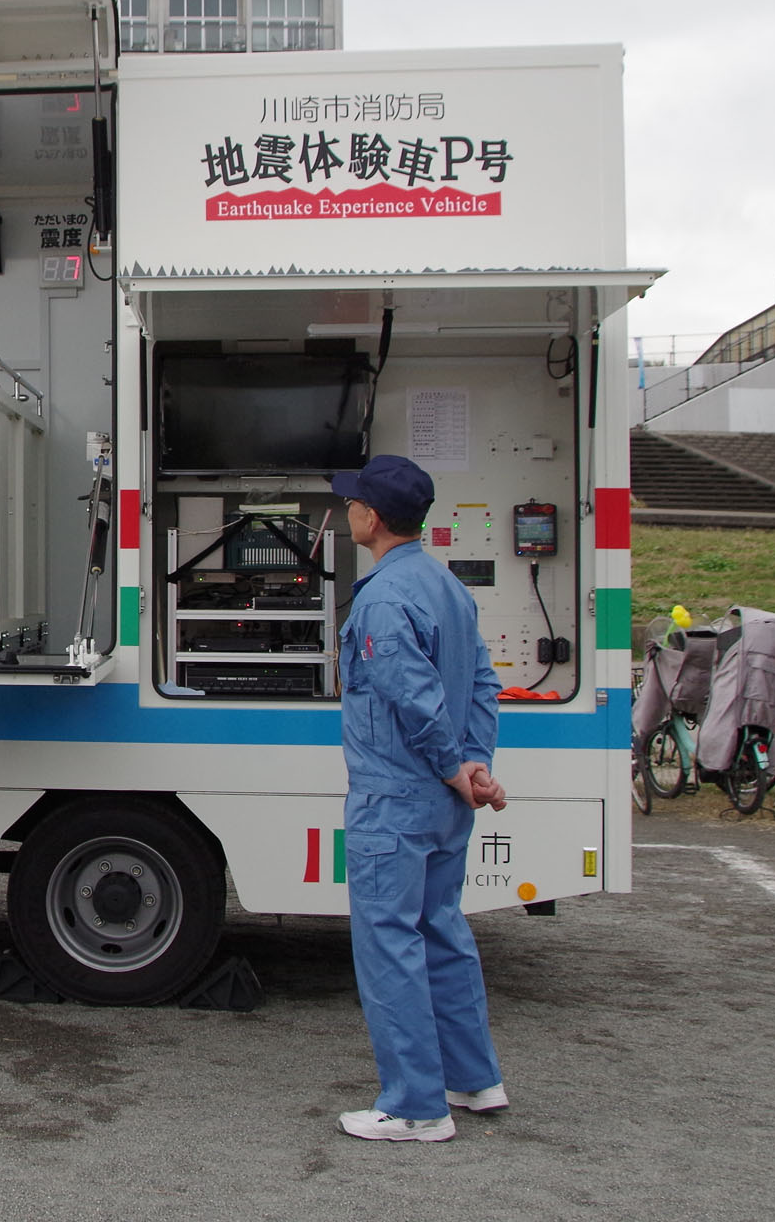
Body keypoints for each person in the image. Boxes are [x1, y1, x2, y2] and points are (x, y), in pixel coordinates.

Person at [329, 454, 508, 1142]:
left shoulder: (381, 596)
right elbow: (482, 685)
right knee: (442, 933)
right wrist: (473, 765)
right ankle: (473, 1080)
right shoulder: (447, 586)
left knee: (390, 946)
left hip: (395, 798)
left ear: (371, 517)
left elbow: (413, 698)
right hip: (442, 803)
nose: (346, 511)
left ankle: (415, 1107)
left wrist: (450, 764)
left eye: (352, 502)